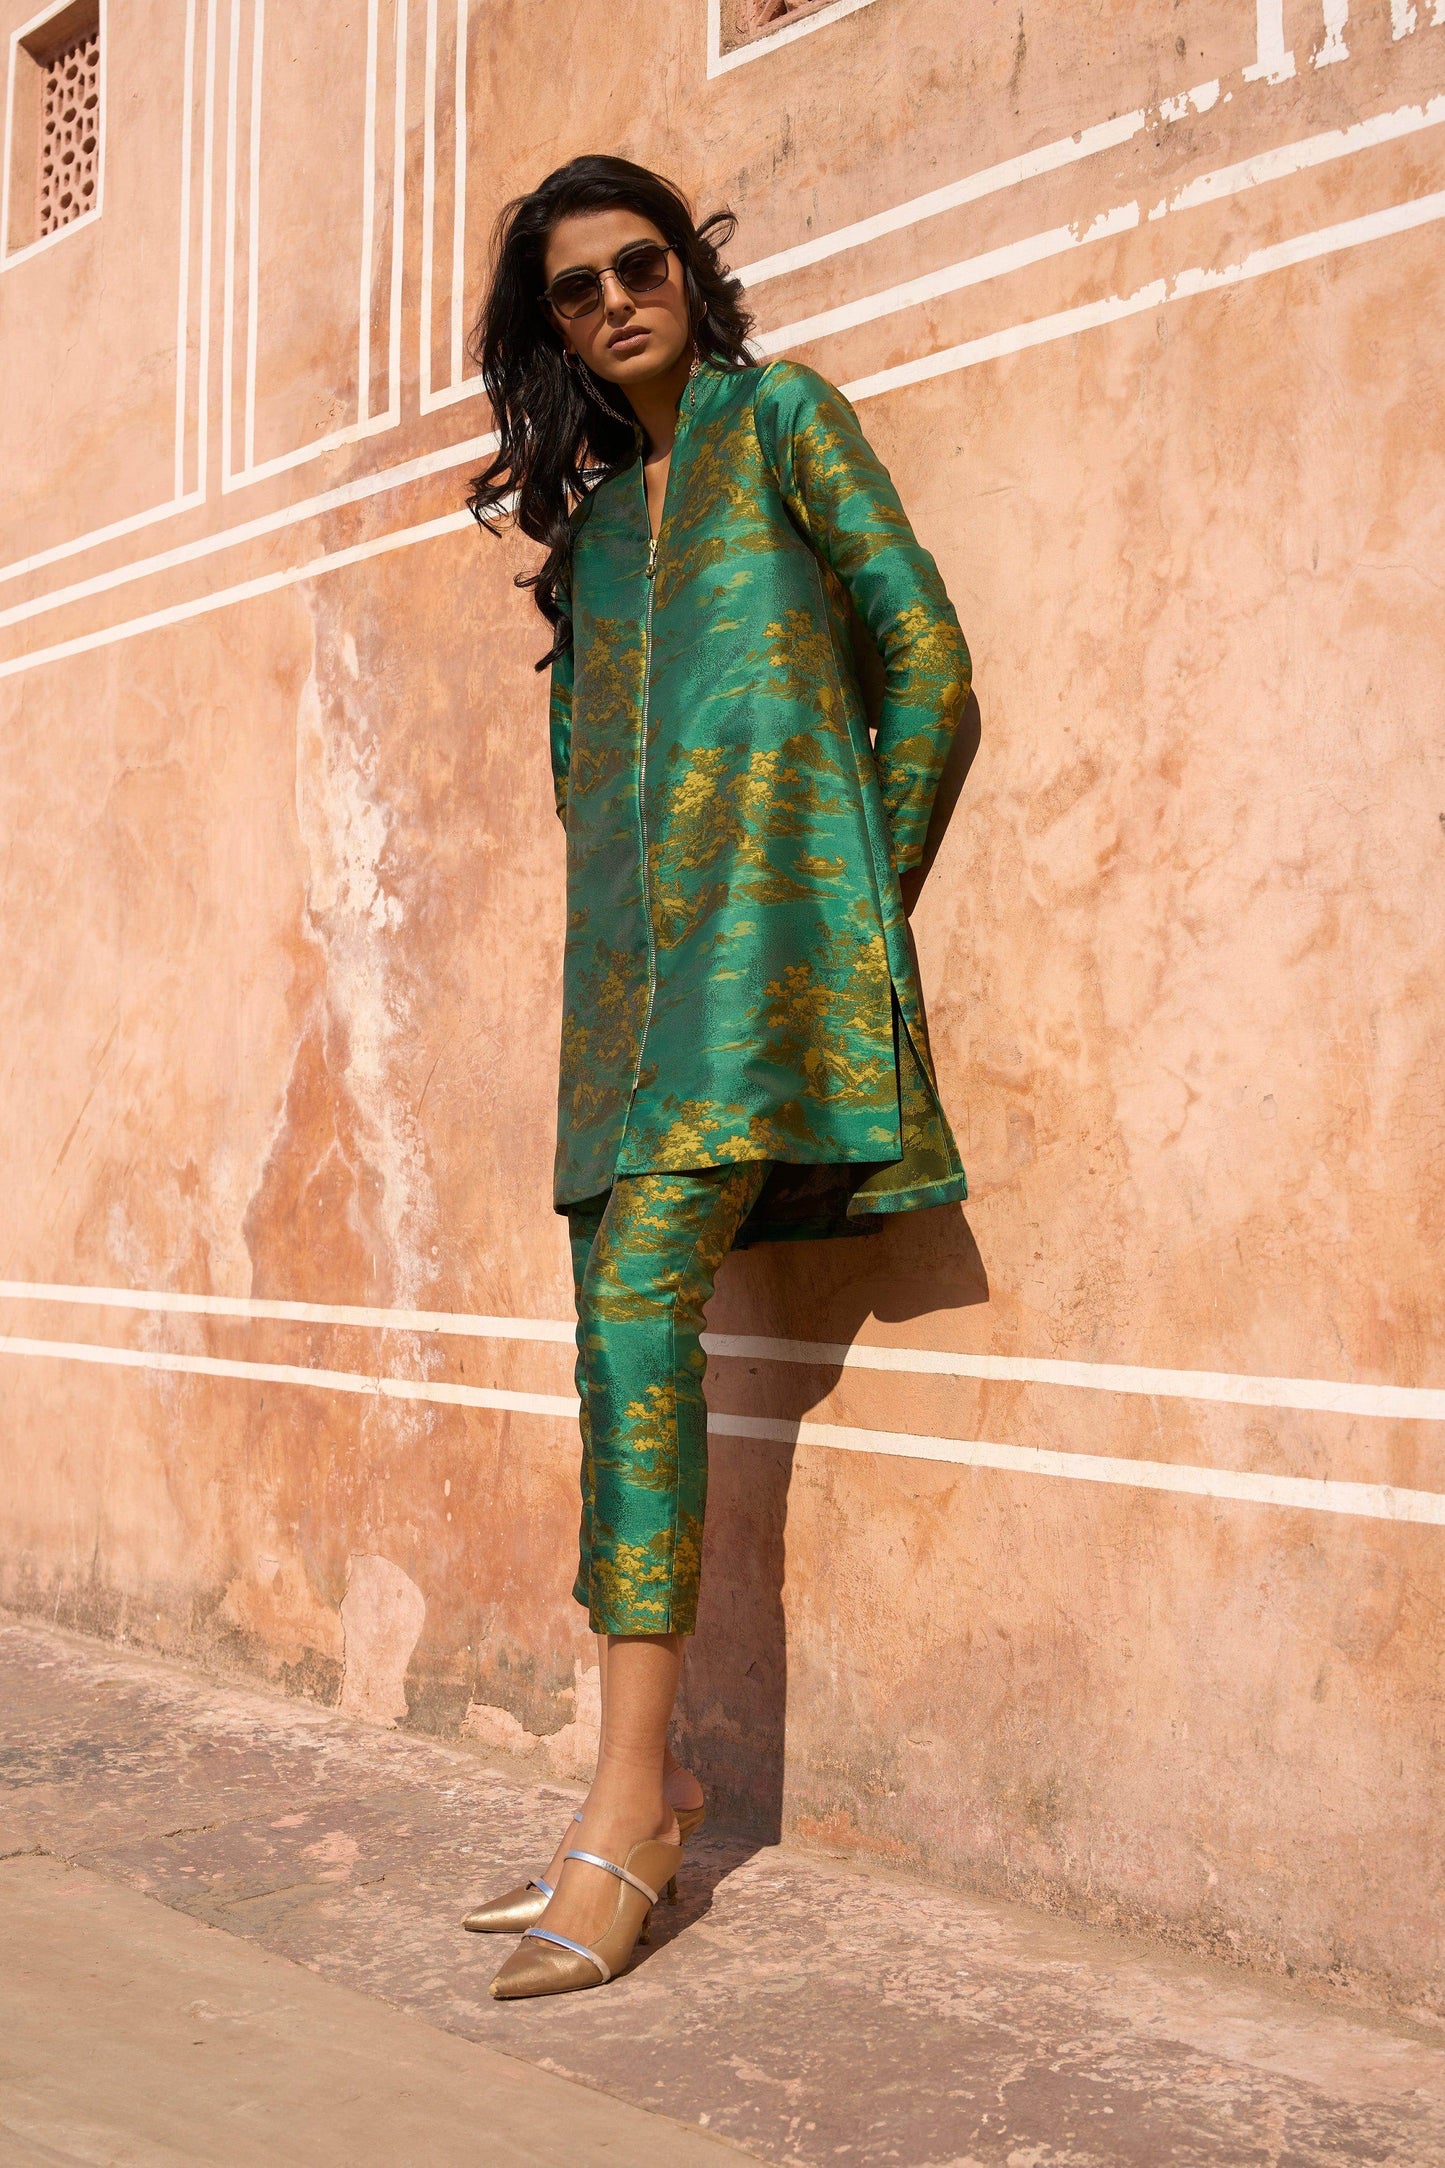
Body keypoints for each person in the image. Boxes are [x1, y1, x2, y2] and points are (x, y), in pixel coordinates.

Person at [462, 154, 971, 2001]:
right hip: (617, 1016)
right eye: (574, 289)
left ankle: (626, 1805)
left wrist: (844, 911)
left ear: (687, 271)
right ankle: (649, 1776)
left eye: (638, 264)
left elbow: (928, 663)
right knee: (611, 1360)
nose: (614, 299)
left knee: (632, 1333)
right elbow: (578, 781)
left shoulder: (784, 422)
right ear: (553, 335)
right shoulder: (596, 537)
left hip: (760, 986)